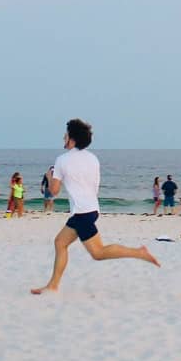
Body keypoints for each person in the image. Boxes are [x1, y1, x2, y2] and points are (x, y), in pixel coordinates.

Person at [30, 117, 159, 295]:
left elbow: (53, 191)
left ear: (72, 138)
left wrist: (50, 174)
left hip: (82, 213)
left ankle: (139, 252)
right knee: (60, 242)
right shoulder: (93, 159)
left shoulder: (62, 160)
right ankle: (53, 285)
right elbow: (95, 186)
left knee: (98, 253)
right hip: (91, 209)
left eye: (65, 135)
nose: (63, 138)